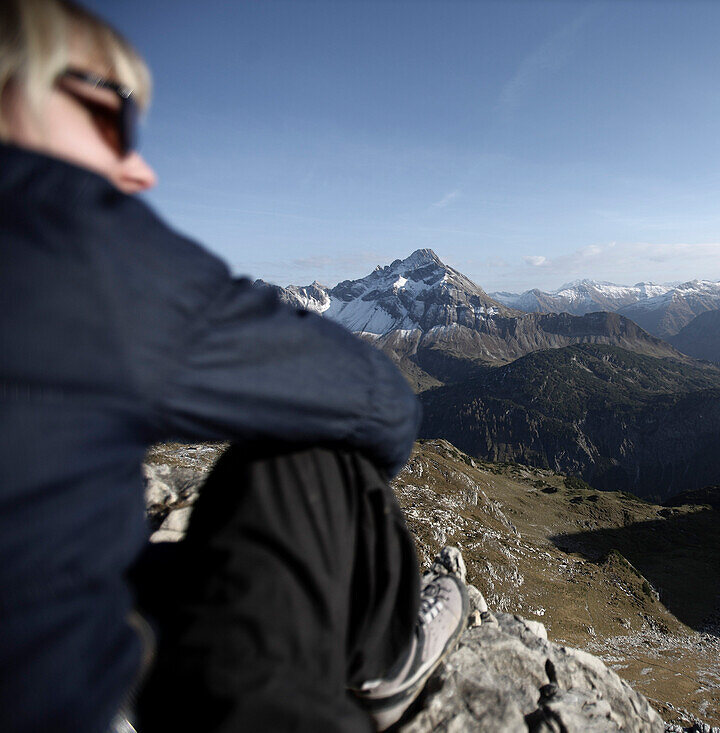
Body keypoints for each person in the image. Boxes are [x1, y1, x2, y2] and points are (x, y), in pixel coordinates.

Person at [0, 1, 468, 731]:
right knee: (310, 452)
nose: (140, 167)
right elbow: (379, 403)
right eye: (111, 114)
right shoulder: (61, 234)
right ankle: (386, 651)